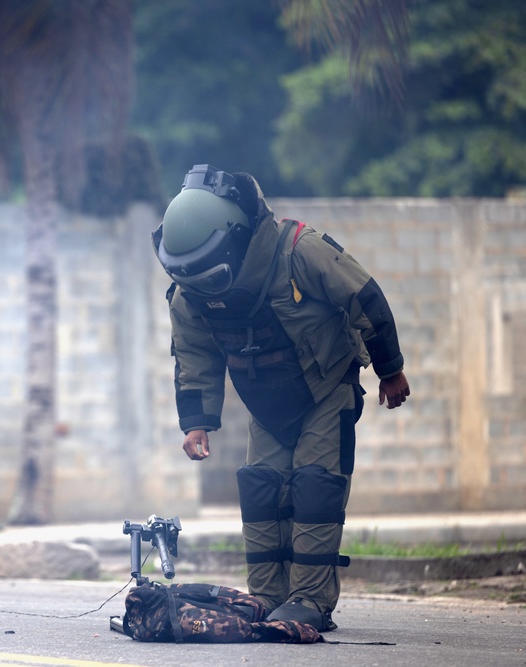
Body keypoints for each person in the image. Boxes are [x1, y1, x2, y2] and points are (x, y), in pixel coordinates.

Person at [152, 164, 409, 631]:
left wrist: (389, 370)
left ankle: (310, 600)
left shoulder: (297, 250)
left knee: (314, 488)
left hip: (326, 390)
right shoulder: (188, 294)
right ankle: (268, 597)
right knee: (262, 490)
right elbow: (192, 355)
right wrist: (196, 421)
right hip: (266, 405)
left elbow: (364, 296)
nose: (206, 287)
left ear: (233, 239)